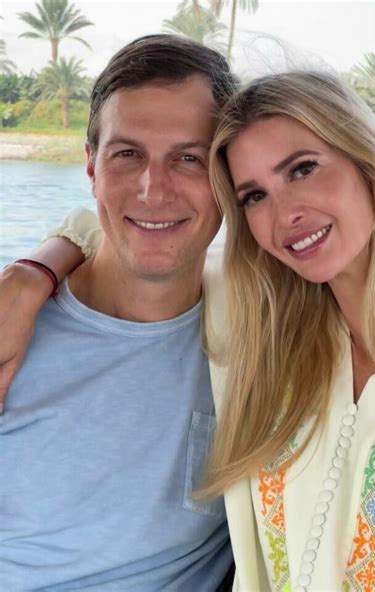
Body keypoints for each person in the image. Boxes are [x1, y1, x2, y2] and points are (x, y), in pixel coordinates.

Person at [1, 70, 375, 591]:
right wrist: (33, 273)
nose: (286, 213)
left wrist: (34, 271)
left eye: (303, 169)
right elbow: (127, 229)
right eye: (253, 195)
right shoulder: (257, 321)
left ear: (368, 160)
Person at [0, 34, 237, 591]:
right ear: (91, 166)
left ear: (228, 177)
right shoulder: (13, 333)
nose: (154, 190)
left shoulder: (260, 333)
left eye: (189, 158)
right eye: (127, 154)